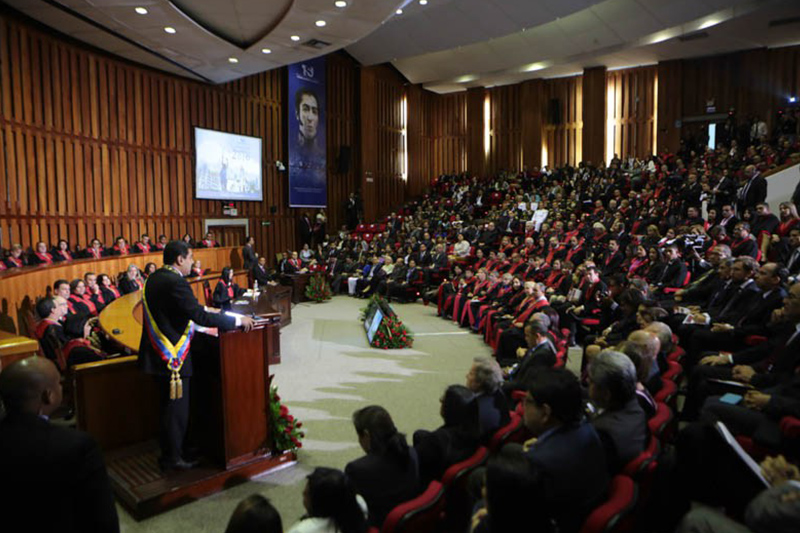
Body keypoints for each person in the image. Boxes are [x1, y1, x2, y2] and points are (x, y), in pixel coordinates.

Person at [138, 240, 254, 471]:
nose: (192, 262)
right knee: (176, 411)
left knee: (168, 408)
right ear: (180, 259)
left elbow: (177, 312)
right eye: (190, 257)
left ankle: (178, 449)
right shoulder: (176, 282)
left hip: (156, 355)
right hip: (172, 359)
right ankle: (173, 459)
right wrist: (237, 320)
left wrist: (204, 312)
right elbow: (198, 317)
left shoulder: (155, 278)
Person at [0, 357, 119, 532]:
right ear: (48, 396)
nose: (61, 386)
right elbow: (102, 520)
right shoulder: (78, 446)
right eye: (59, 383)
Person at [520, 368, 609, 533]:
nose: (522, 405)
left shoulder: (538, 462)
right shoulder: (589, 428)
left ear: (546, 412)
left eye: (527, 401)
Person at [345, 405, 421, 528]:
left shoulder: (358, 469)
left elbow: (350, 512)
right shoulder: (411, 452)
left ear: (366, 435)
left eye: (359, 436)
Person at [587, 350, 647, 472]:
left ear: (606, 394)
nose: (588, 382)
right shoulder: (637, 408)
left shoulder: (601, 433)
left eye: (592, 381)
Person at [413, 385, 480, 485]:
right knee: (419, 434)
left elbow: (413, 464)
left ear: (450, 409)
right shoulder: (477, 430)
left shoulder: (436, 440)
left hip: (432, 481)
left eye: (444, 400)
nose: (440, 401)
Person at [287, 467, 368, 533]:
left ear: (319, 505)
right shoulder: (359, 503)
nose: (303, 492)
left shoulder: (302, 530)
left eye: (306, 494)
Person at [465, 356, 511, 440]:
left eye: (471, 374)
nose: (466, 376)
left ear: (479, 382)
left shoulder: (475, 408)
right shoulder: (499, 394)